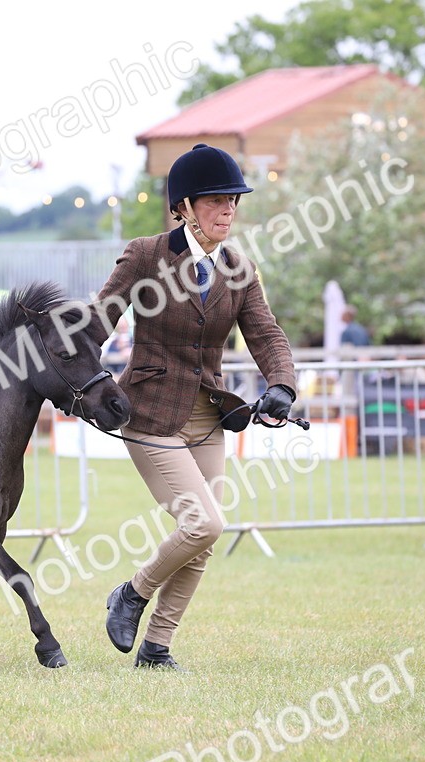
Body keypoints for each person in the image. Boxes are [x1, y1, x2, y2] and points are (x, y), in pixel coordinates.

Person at [98, 144, 297, 671]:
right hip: (151, 414)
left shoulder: (240, 268)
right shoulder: (146, 255)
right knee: (203, 524)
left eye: (233, 200)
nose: (228, 209)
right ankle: (132, 594)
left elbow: (267, 334)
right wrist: (73, 376)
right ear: (184, 206)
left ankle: (157, 648)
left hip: (210, 416)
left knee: (203, 539)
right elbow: (99, 320)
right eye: (216, 200)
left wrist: (283, 385)